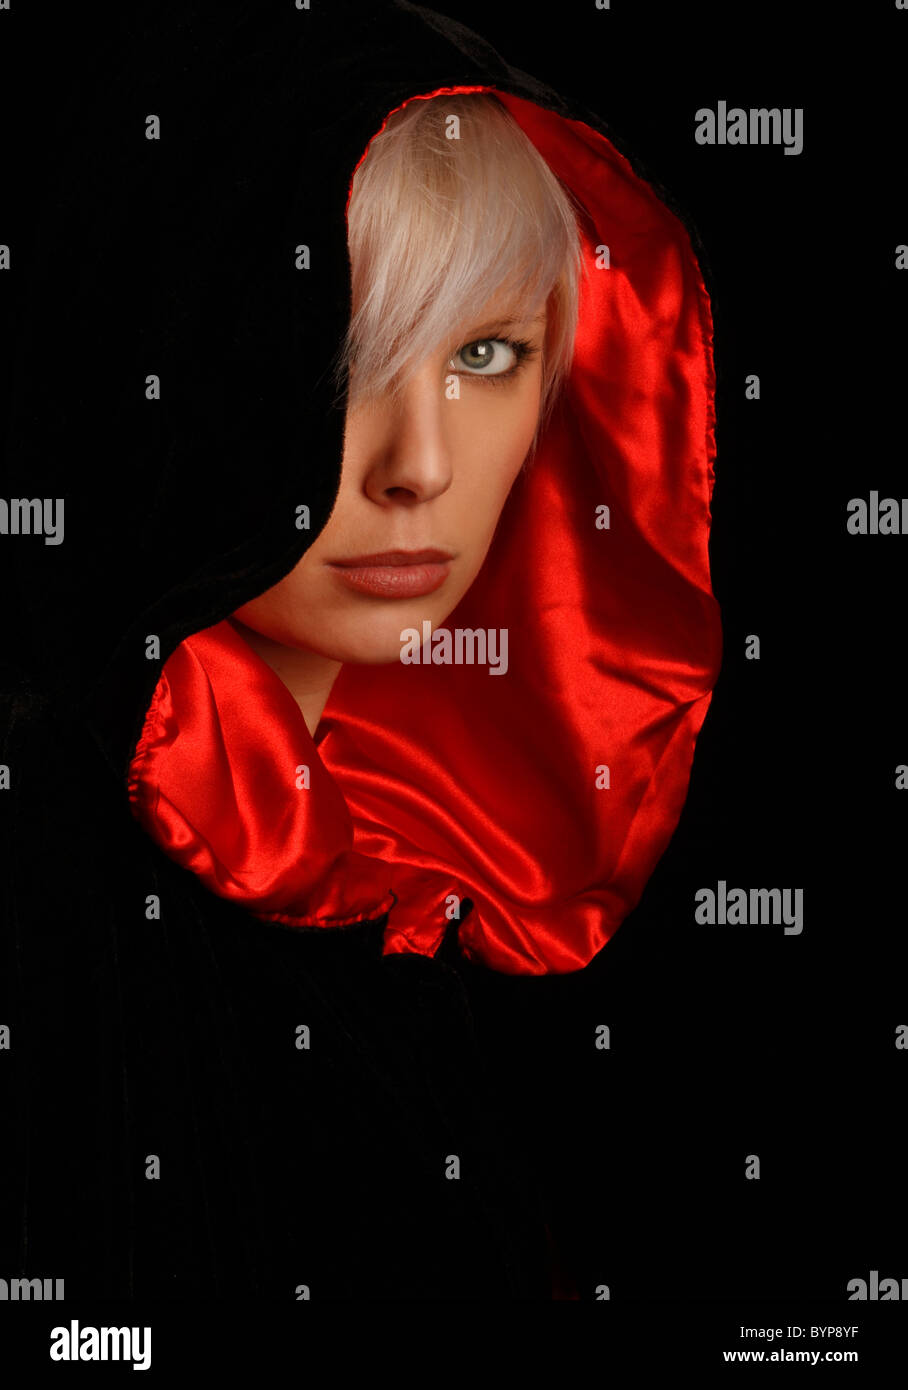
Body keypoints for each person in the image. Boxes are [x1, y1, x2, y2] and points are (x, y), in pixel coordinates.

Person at [0, 1, 721, 1299]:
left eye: (488, 355)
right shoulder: (56, 910)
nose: (420, 467)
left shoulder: (474, 906)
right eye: (341, 356)